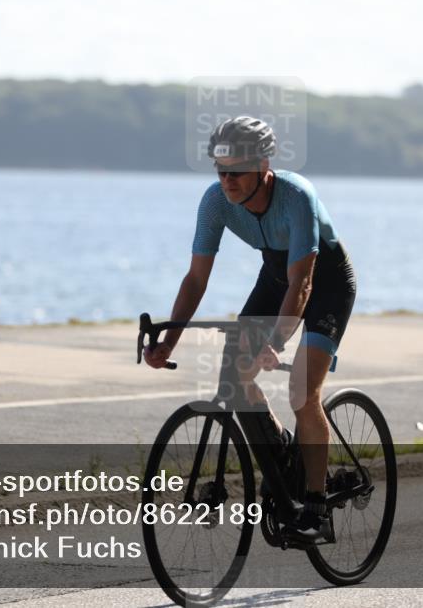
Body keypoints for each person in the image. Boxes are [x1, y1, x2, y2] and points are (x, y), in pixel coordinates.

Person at [143, 116, 356, 541]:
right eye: (221, 172)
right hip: (276, 277)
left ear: (263, 165)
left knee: (301, 391)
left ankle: (317, 510)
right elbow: (196, 280)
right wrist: (168, 340)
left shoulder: (297, 197)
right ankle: (280, 451)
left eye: (237, 172)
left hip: (325, 283)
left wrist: (275, 341)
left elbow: (304, 283)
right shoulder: (215, 202)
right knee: (234, 375)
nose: (227, 182)